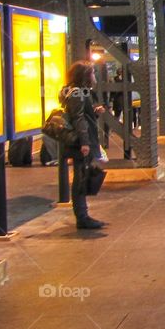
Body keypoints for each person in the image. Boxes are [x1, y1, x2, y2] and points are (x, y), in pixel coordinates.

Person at [61, 61, 106, 230]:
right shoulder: (77, 93)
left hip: (81, 140)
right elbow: (78, 118)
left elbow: (81, 115)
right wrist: (85, 143)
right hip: (80, 143)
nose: (94, 76)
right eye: (92, 73)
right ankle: (82, 217)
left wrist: (94, 112)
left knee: (81, 176)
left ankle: (83, 215)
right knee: (80, 179)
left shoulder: (77, 92)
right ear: (85, 76)